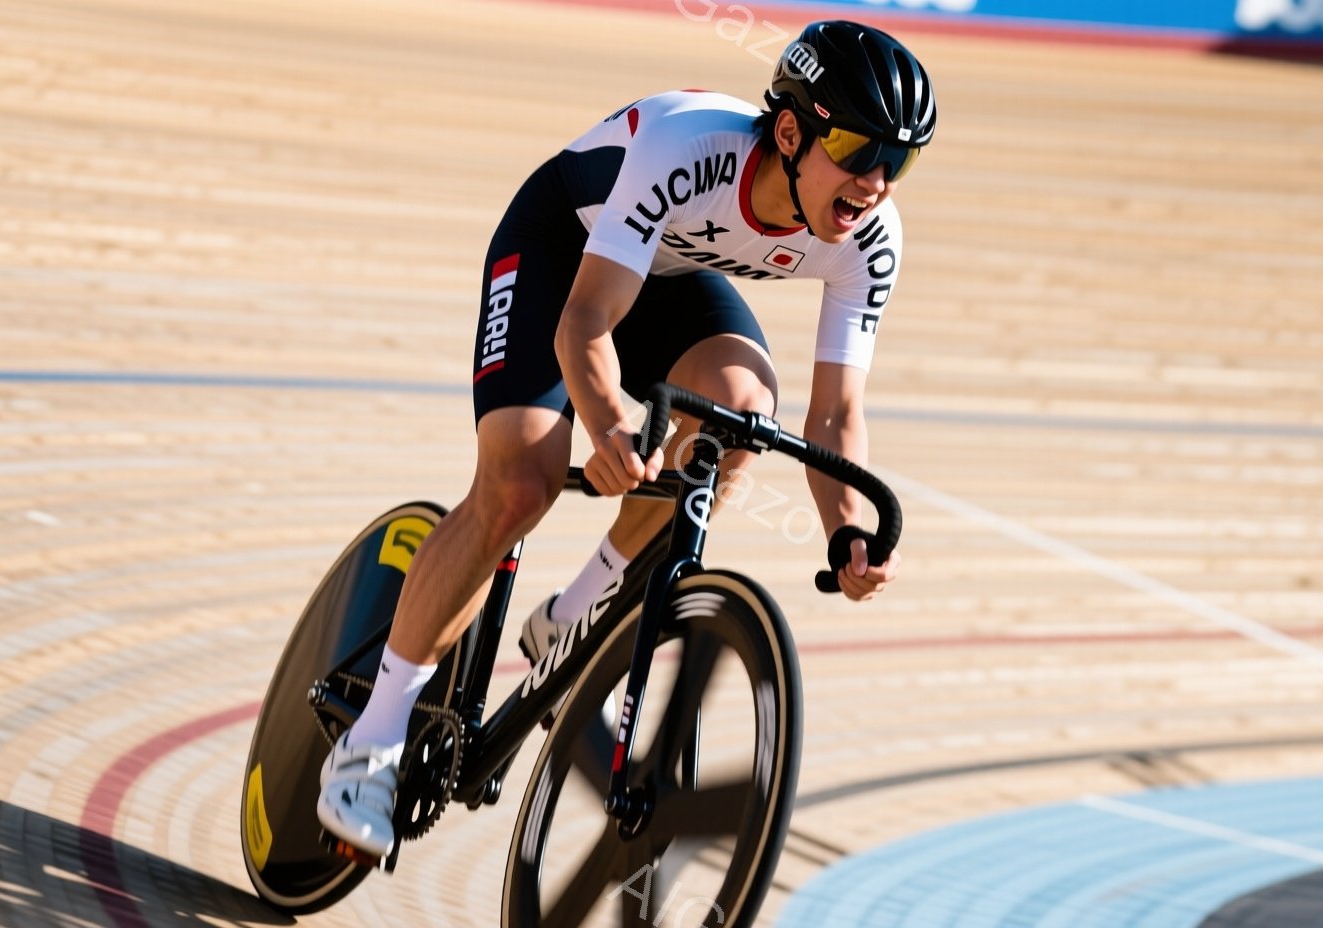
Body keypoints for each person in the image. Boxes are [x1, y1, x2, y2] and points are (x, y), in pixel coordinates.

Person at [316, 19, 937, 859]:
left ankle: (573, 612)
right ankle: (373, 738)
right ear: (790, 131)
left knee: (740, 412)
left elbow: (834, 420)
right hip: (561, 255)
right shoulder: (688, 148)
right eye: (862, 150)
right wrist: (606, 426)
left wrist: (846, 531)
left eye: (899, 162)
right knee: (522, 483)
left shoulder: (871, 238)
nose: (877, 182)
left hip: (668, 277)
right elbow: (584, 320)